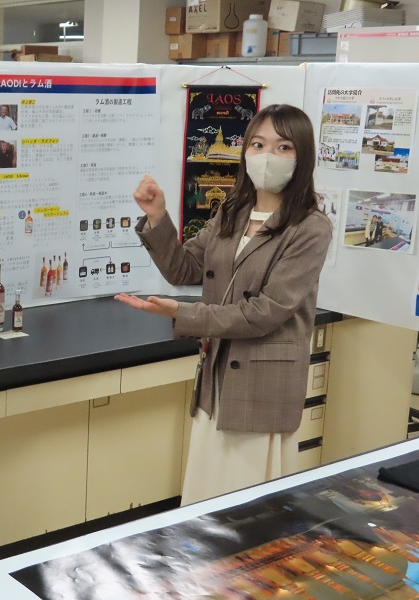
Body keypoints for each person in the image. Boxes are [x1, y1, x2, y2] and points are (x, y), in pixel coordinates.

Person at [115, 104, 332, 505]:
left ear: (302, 156)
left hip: (264, 383)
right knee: (206, 494)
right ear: (245, 150)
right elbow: (184, 268)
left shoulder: (310, 228)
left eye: (283, 147)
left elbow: (265, 312)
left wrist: (182, 313)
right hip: (216, 376)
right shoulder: (232, 212)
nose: (267, 156)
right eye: (258, 144)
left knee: (249, 508)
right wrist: (158, 217)